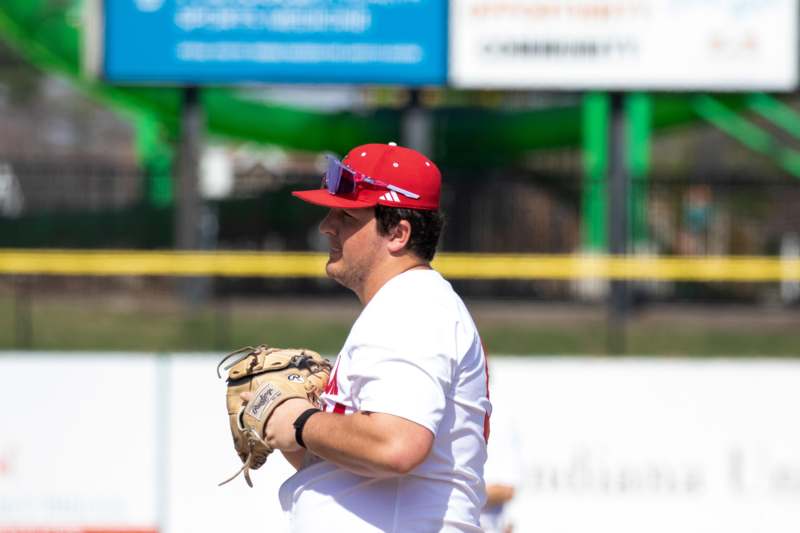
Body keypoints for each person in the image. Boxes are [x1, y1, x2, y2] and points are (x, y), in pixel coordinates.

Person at [258, 142, 491, 532]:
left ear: (398, 233)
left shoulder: (412, 304)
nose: (327, 226)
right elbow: (358, 470)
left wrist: (301, 421)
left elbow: (396, 445)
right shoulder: (408, 303)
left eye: (347, 216)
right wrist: (296, 436)